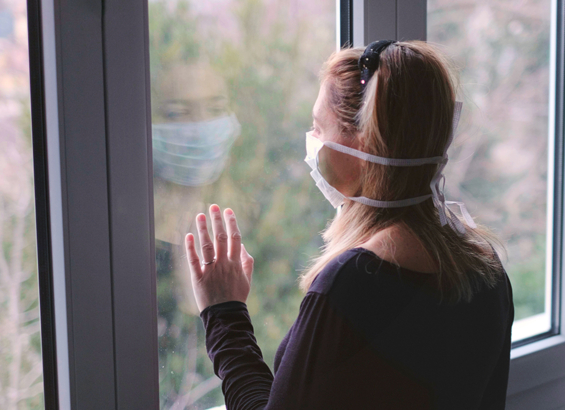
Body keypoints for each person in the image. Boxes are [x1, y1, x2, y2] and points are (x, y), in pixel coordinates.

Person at [184, 40, 515, 410]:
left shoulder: (354, 284)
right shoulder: (485, 265)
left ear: (363, 142)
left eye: (318, 127)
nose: (312, 143)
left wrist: (224, 313)